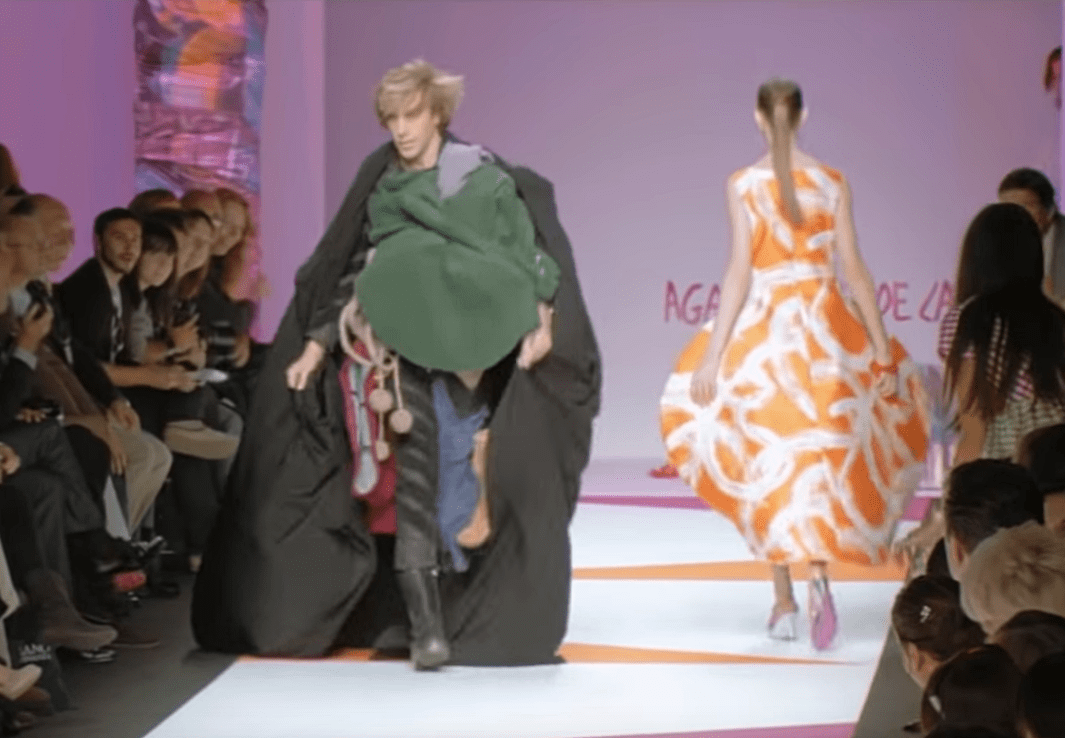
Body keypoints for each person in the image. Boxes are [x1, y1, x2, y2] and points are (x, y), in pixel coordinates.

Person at [192, 59, 600, 669]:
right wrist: (314, 344)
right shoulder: (382, 181)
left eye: (412, 115)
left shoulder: (476, 175)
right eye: (391, 119)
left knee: (457, 481)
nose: (401, 129)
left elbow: (523, 252)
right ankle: (426, 628)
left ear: (438, 113)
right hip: (397, 351)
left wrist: (542, 319)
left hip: (471, 352)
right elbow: (355, 266)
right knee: (412, 485)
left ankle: (454, 614)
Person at [659, 79, 929, 649]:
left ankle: (783, 598)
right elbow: (855, 269)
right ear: (802, 117)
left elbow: (739, 272)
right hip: (826, 332)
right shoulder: (832, 182)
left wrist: (713, 356)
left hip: (766, 337)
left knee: (768, 462)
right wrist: (880, 347)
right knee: (817, 460)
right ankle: (818, 575)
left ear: (759, 119)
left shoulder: (743, 184)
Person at [898, 202, 1065, 563]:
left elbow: (974, 427)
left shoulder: (967, 321)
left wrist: (947, 515)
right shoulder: (1057, 318)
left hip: (1002, 479)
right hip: (1056, 466)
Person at [997, 169, 1065, 304]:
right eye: (1007, 208)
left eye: (1024, 208)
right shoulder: (998, 243)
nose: (1014, 216)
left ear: (1050, 209)